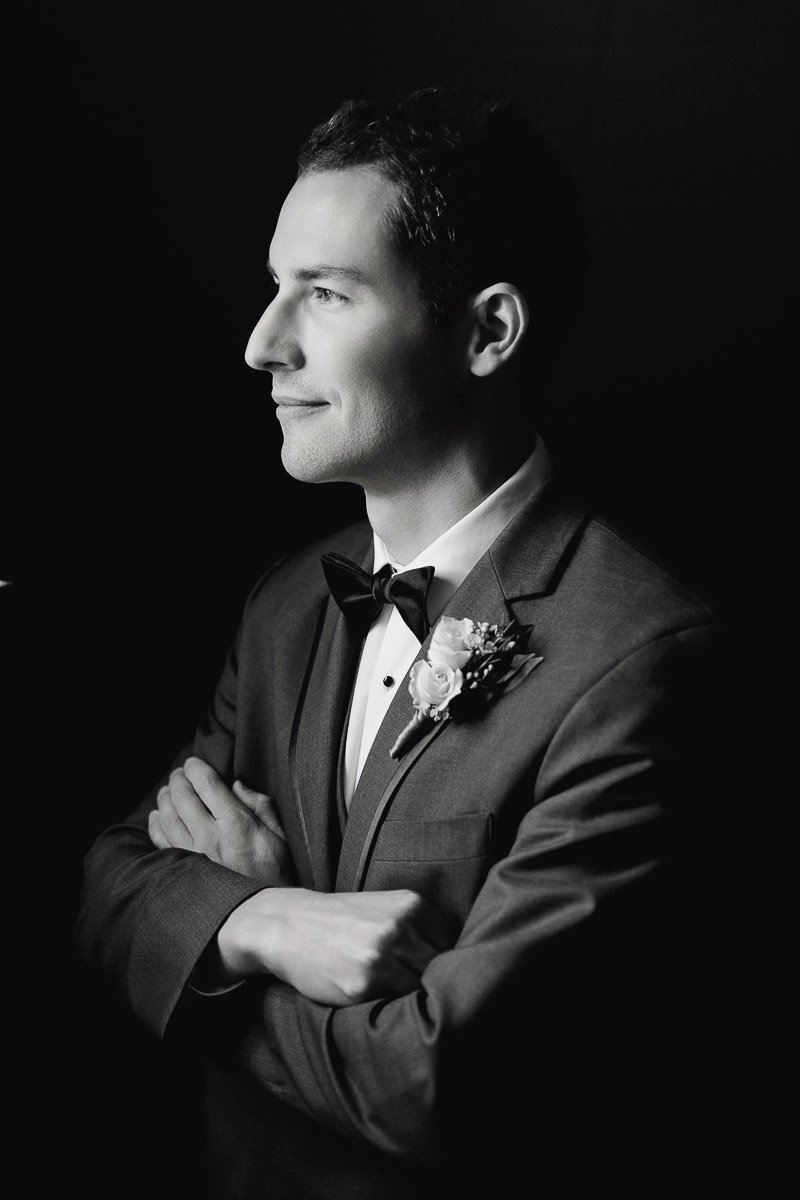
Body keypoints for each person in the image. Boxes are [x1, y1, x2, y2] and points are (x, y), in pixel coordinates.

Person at [77, 87, 723, 1198]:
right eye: (272, 287)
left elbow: (438, 1082)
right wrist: (265, 923)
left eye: (322, 294)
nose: (259, 345)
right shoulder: (282, 603)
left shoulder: (645, 656)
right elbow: (104, 885)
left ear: (486, 332)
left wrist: (204, 966)